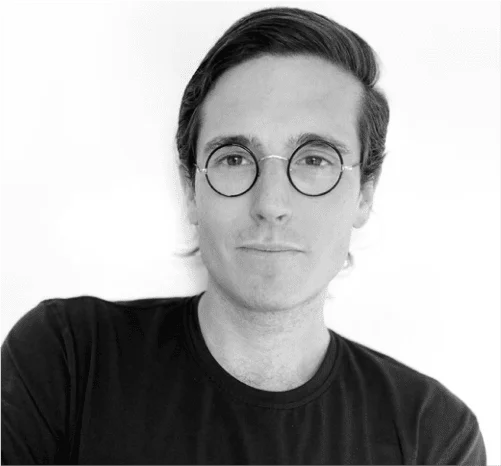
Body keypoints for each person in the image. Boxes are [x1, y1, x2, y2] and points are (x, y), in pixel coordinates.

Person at [1, 6, 487, 465]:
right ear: (190, 189)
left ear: (365, 193)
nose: (271, 204)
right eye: (234, 159)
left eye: (315, 160)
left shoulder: (432, 434)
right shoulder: (68, 361)